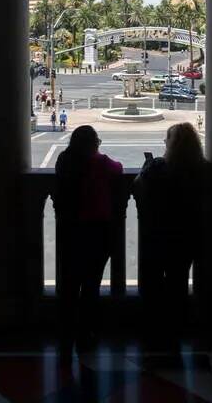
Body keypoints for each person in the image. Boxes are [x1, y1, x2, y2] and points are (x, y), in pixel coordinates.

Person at [133, 121, 207, 350]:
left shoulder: (157, 167)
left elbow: (138, 188)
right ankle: (176, 329)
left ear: (171, 144)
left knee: (152, 283)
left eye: (167, 139)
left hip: (157, 234)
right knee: (178, 283)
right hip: (186, 237)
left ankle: (153, 330)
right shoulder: (202, 170)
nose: (164, 142)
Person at [54, 125, 123, 354]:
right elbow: (118, 169)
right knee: (91, 285)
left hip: (70, 230)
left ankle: (65, 334)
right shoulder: (100, 162)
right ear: (93, 143)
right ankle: (85, 334)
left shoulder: (64, 160)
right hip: (96, 230)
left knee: (69, 285)